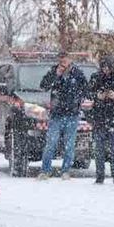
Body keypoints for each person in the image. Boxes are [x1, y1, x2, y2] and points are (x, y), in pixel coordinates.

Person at [38, 52, 88, 180]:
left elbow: (86, 90)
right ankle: (45, 170)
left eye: (65, 61)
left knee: (69, 145)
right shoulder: (53, 71)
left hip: (72, 114)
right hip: (56, 114)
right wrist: (56, 75)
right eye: (61, 61)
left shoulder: (77, 73)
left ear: (70, 60)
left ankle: (66, 171)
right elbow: (43, 86)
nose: (63, 64)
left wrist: (79, 100)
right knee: (51, 143)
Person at [87, 56, 114, 184]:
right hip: (99, 118)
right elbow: (88, 93)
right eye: (104, 67)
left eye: (108, 67)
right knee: (99, 150)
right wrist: (97, 96)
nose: (106, 70)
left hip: (113, 118)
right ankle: (100, 176)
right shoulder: (95, 78)